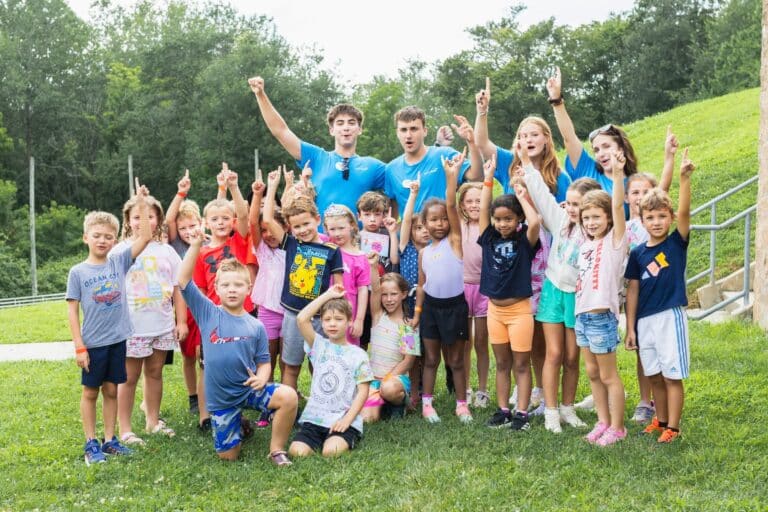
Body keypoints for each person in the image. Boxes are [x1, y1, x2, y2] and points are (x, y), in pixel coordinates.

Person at [179, 226, 298, 464]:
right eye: (226, 285)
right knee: (228, 457)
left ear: (249, 289)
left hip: (249, 390)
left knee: (288, 396)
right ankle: (238, 424)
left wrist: (263, 378)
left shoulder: (256, 326)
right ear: (216, 289)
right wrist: (194, 246)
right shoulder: (207, 313)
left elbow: (264, 362)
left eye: (238, 285)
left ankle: (276, 449)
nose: (232, 290)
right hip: (222, 398)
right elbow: (183, 280)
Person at [66, 180, 152, 465]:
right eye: (97, 235)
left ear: (115, 239)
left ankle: (110, 440)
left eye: (108, 236)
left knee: (112, 390)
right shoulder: (77, 272)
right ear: (86, 238)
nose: (103, 240)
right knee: (91, 392)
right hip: (92, 344)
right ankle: (91, 443)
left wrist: (140, 203)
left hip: (118, 340)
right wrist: (79, 346)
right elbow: (72, 311)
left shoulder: (119, 262)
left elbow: (145, 237)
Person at [524, 156, 602, 432]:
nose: (570, 208)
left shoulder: (595, 232)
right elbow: (542, 195)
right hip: (553, 292)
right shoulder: (559, 221)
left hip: (577, 298)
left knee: (572, 357)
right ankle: (551, 411)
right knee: (553, 354)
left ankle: (568, 408)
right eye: (568, 203)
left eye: (576, 205)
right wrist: (525, 162)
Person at [625, 149, 695, 444]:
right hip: (644, 321)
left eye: (661, 216)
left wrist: (683, 179)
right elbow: (632, 290)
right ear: (640, 219)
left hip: (669, 317)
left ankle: (674, 428)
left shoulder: (676, 244)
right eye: (650, 217)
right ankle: (661, 420)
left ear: (670, 218)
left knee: (671, 375)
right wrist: (630, 328)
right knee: (653, 375)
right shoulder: (637, 253)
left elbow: (686, 213)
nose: (656, 221)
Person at [248, 76, 385, 218]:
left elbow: (400, 188)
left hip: (357, 239)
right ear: (331, 130)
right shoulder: (317, 157)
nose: (346, 128)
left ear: (360, 129)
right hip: (320, 239)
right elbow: (281, 131)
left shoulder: (374, 166)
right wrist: (260, 95)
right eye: (340, 123)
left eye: (351, 123)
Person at [114, 190, 186, 445]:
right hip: (132, 327)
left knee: (155, 372)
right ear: (128, 221)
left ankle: (152, 422)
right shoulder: (121, 251)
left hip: (162, 325)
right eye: (137, 216)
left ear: (159, 220)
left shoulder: (167, 251)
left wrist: (181, 321)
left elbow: (178, 288)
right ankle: (125, 429)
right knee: (129, 377)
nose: (144, 221)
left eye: (150, 216)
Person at [262, 169, 344, 391]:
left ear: (317, 219)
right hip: (292, 316)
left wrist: (340, 318)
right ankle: (291, 408)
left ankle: (322, 406)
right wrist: (272, 188)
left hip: (320, 318)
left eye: (307, 224)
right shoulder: (291, 243)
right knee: (291, 367)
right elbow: (267, 219)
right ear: (290, 227)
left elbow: (339, 288)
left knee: (320, 366)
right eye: (297, 226)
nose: (303, 230)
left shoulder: (332, 250)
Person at [476, 153, 541, 431]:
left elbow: (536, 221)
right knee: (502, 363)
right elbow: (482, 214)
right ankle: (503, 409)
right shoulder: (489, 238)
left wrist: (521, 194)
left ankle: (522, 413)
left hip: (519, 311)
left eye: (508, 219)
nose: (502, 224)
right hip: (495, 311)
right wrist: (488, 180)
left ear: (517, 221)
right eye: (498, 219)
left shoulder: (524, 241)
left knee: (521, 364)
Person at [411, 149, 473, 424]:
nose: (439, 223)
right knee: (431, 359)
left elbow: (450, 205)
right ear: (424, 224)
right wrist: (417, 312)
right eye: (432, 220)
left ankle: (462, 405)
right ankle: (427, 404)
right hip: (431, 310)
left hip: (456, 307)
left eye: (443, 219)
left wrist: (452, 179)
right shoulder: (425, 252)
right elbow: (422, 286)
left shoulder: (455, 241)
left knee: (456, 360)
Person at [575, 151, 629, 447]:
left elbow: (619, 205)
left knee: (608, 375)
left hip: (602, 318)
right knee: (592, 373)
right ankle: (603, 421)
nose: (591, 222)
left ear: (608, 218)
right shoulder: (585, 244)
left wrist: (618, 174)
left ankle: (618, 427)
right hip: (581, 317)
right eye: (587, 218)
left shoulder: (615, 243)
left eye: (597, 216)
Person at [289, 285, 373, 457]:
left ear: (349, 321)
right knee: (297, 452)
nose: (332, 324)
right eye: (327, 320)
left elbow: (363, 392)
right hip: (315, 418)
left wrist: (347, 420)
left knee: (331, 452)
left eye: (339, 319)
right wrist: (327, 295)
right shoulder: (318, 345)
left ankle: (343, 436)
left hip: (342, 418)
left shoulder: (359, 354)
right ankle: (317, 438)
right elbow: (301, 319)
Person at [474, 76, 572, 201]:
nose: (529, 140)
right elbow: (482, 143)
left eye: (534, 135)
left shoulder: (559, 176)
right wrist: (482, 111)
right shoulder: (509, 162)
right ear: (518, 141)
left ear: (546, 138)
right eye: (524, 136)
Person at [546, 67, 637, 195]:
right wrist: (556, 100)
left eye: (606, 146)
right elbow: (569, 138)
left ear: (621, 148)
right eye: (596, 150)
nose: (601, 153)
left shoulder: (634, 184)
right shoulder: (587, 168)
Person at [385, 107, 482, 219]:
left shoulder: (444, 155)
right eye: (403, 130)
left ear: (425, 131)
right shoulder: (391, 169)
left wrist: (471, 142)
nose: (408, 135)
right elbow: (393, 214)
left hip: (445, 234)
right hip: (411, 235)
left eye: (414, 129)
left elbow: (477, 176)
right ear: (397, 133)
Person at [165, 170, 206, 418]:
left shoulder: (205, 240)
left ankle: (208, 393)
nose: (188, 231)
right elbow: (170, 219)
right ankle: (193, 396)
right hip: (184, 307)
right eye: (183, 228)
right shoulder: (177, 245)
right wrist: (181, 193)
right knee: (189, 355)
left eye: (193, 225)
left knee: (206, 354)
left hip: (205, 305)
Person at [362, 255, 420, 423]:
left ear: (403, 294)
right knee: (368, 419)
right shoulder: (378, 316)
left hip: (395, 380)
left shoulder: (408, 327)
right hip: (374, 379)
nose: (388, 299)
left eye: (393, 294)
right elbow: (375, 288)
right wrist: (373, 267)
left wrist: (386, 379)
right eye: (385, 295)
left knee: (389, 389)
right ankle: (383, 404)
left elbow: (408, 362)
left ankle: (400, 402)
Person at [456, 181, 490, 408]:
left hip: (484, 289)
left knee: (481, 341)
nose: (474, 205)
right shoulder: (458, 225)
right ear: (462, 204)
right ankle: (466, 388)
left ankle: (483, 390)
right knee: (465, 342)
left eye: (479, 200)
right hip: (461, 287)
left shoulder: (489, 225)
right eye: (469, 201)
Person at [323, 203, 371, 346]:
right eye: (332, 229)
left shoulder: (361, 257)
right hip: (323, 310)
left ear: (352, 226)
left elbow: (363, 290)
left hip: (347, 311)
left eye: (341, 228)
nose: (337, 233)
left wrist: (359, 320)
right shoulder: (325, 247)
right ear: (326, 229)